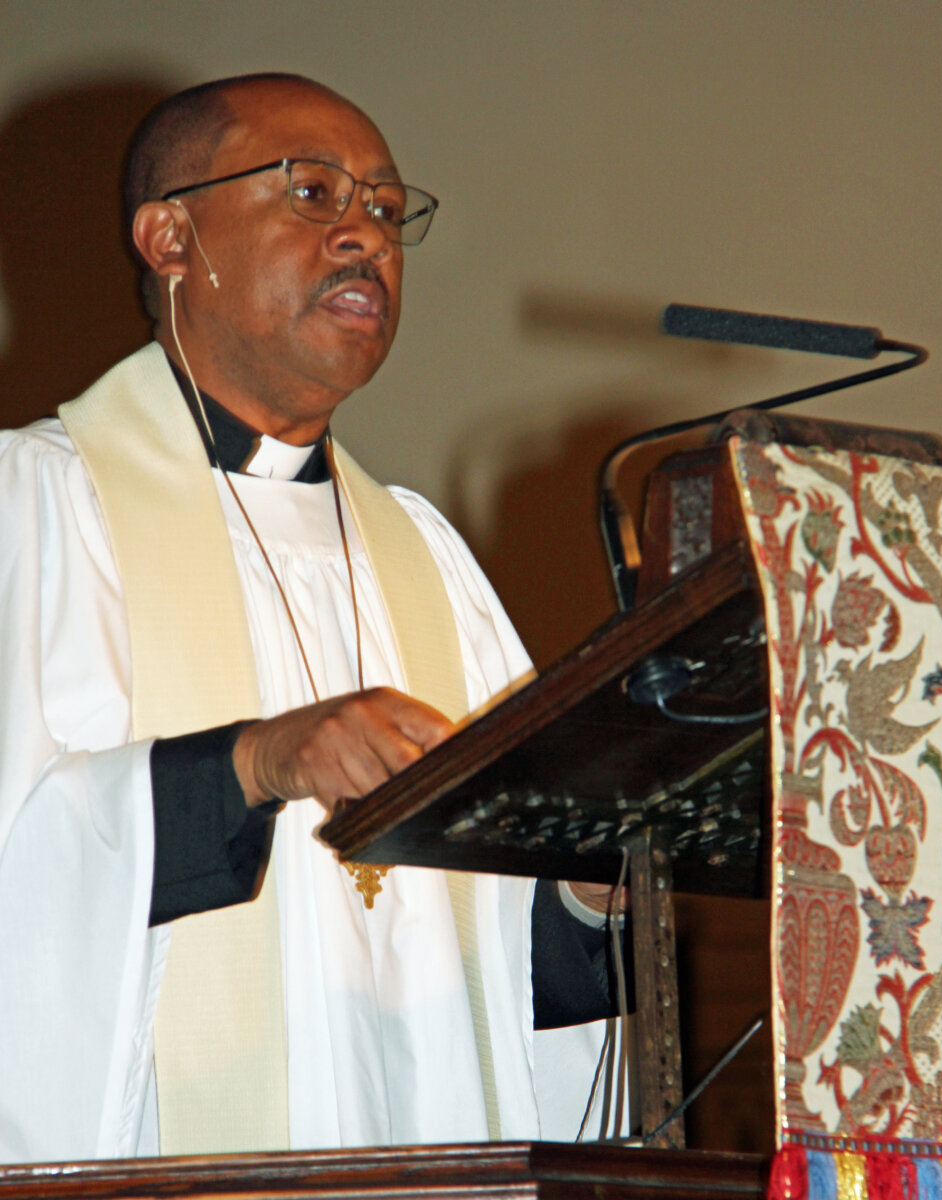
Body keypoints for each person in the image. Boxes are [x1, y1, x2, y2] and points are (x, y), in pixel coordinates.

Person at [0, 73, 626, 1164]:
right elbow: (25, 868)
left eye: (387, 210)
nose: (365, 238)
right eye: (312, 194)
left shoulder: (425, 556)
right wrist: (255, 762)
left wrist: (587, 889)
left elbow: (502, 972)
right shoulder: (38, 505)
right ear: (170, 237)